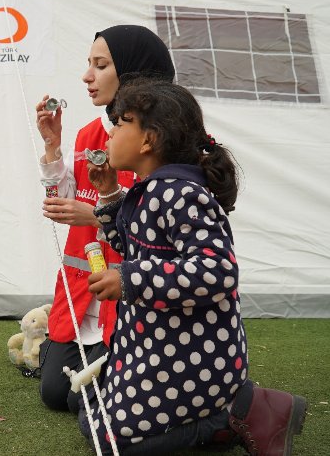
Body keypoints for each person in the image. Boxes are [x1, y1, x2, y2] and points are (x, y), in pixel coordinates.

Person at [83, 78, 307, 454]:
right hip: (158, 348)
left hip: (193, 360)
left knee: (109, 442)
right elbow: (136, 247)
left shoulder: (180, 193)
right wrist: (109, 195)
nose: (110, 132)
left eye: (121, 122)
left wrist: (130, 278)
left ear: (148, 140)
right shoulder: (151, 188)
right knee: (92, 417)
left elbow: (217, 270)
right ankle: (216, 421)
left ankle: (236, 413)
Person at [35, 25, 175, 413]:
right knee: (54, 394)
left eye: (100, 65)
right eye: (88, 65)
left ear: (133, 74)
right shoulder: (87, 135)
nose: (86, 76)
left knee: (80, 400)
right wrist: (52, 148)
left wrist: (97, 217)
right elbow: (64, 206)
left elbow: (163, 223)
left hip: (132, 298)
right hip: (85, 296)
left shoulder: (161, 141)